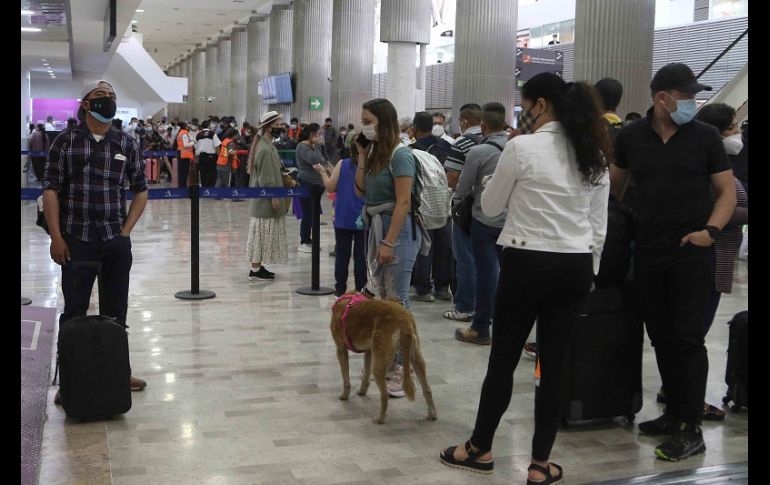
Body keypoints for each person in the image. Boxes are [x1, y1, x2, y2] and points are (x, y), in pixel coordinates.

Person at [439, 73, 610, 485]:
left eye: (525, 103)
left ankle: (480, 448)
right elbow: (598, 226)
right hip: (574, 265)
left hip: (526, 259)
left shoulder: (522, 147)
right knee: (554, 365)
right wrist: (591, 272)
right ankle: (539, 464)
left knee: (503, 360)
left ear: (540, 105)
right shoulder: (593, 154)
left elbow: (491, 206)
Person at [611, 63, 736, 461]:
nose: (692, 104)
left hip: (692, 252)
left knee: (687, 338)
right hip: (648, 250)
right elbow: (614, 187)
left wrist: (710, 232)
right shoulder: (630, 136)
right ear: (662, 98)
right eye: (686, 97)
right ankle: (673, 414)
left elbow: (727, 193)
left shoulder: (705, 137)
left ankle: (690, 425)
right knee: (660, 335)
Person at [43, 80, 149, 403]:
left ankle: (119, 370)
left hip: (115, 241)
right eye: (101, 97)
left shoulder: (126, 143)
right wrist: (57, 237)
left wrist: (126, 231)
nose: (108, 102)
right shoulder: (65, 142)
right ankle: (69, 379)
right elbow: (50, 191)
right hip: (77, 240)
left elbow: (141, 190)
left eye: (112, 97)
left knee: (117, 311)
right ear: (86, 105)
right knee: (74, 312)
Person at [354, 98, 429, 398]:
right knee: (383, 300)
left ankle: (403, 368)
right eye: (363, 121)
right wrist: (361, 155)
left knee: (397, 303)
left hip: (397, 230)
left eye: (368, 121)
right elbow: (361, 190)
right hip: (376, 225)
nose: (364, 126)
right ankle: (387, 362)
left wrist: (389, 241)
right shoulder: (375, 153)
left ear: (384, 122)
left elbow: (403, 202)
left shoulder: (401, 156)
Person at [452, 102, 509, 345]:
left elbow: (462, 188)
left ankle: (480, 327)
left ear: (483, 125)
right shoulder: (517, 147)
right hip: (512, 221)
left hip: (484, 219)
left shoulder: (478, 152)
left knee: (485, 272)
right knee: (506, 273)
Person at [443, 103, 483, 323]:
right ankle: (486, 306)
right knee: (489, 260)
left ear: (464, 121)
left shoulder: (463, 142)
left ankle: (465, 306)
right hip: (495, 210)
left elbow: (452, 177)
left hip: (467, 209)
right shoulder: (500, 141)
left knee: (465, 258)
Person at [410, 111, 453, 302]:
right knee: (444, 248)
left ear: (415, 128)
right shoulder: (448, 146)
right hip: (445, 203)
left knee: (424, 247)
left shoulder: (412, 150)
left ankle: (423, 288)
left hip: (422, 205)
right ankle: (443, 288)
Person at [313, 142, 366, 296]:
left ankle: (340, 290)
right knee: (361, 255)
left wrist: (322, 171)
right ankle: (361, 290)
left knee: (342, 255)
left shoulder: (342, 164)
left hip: (343, 216)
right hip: (364, 217)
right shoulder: (371, 166)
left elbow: (330, 187)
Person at [245, 111, 290, 280]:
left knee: (262, 236)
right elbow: (266, 178)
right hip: (265, 200)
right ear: (268, 127)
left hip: (267, 198)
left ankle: (258, 267)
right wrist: (274, 196)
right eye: (277, 125)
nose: (280, 128)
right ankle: (255, 270)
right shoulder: (264, 149)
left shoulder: (268, 145)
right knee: (260, 235)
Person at [295, 123, 328, 253]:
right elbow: (316, 159)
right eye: (318, 133)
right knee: (307, 213)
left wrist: (318, 145)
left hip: (317, 185)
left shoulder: (314, 146)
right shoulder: (303, 146)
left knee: (313, 214)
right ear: (312, 134)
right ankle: (304, 240)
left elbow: (325, 158)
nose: (320, 136)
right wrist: (317, 145)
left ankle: (310, 239)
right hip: (306, 183)